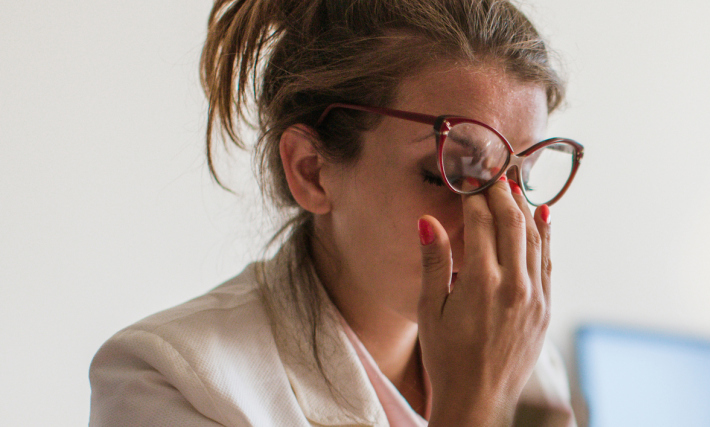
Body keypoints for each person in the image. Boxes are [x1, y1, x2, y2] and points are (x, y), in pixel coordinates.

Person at [88, 0, 583, 425]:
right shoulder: (169, 380)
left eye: (522, 178)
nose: (499, 222)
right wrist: (476, 406)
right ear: (311, 171)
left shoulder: (529, 362)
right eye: (449, 171)